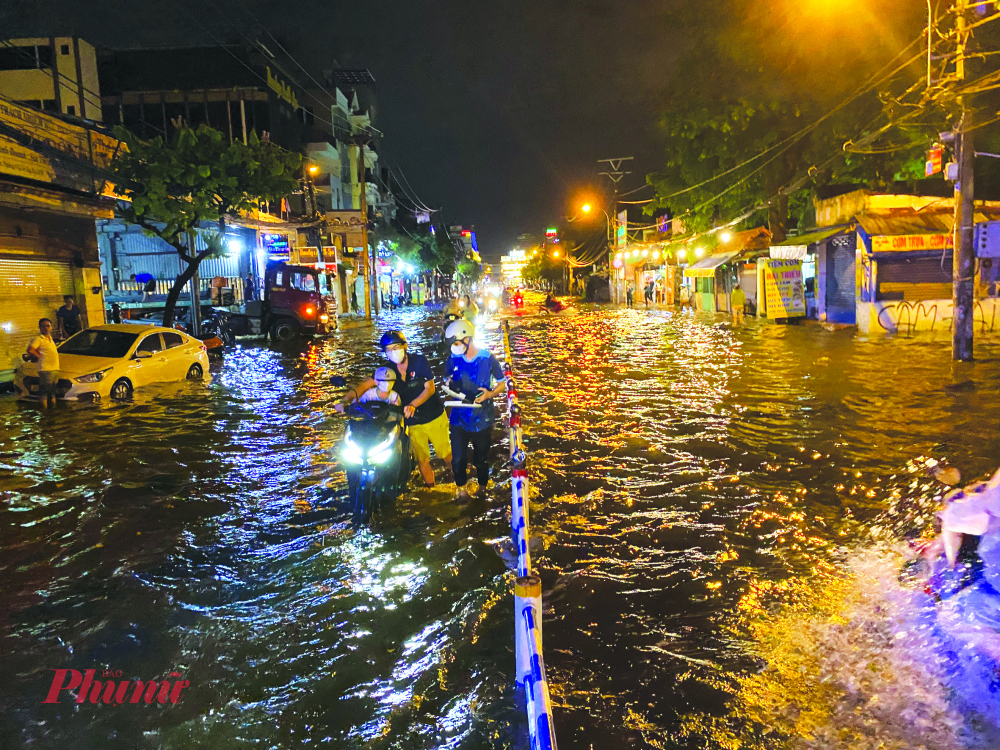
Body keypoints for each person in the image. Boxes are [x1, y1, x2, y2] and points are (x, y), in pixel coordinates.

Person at [337, 331, 452, 487]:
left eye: (396, 347)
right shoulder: (387, 371)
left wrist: (413, 404)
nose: (393, 352)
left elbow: (430, 388)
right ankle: (431, 489)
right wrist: (345, 400)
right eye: (388, 349)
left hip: (433, 415)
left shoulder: (419, 361)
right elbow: (365, 385)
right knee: (422, 459)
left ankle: (460, 483)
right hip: (410, 420)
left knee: (445, 454)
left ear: (405, 346)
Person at [444, 319, 505, 494]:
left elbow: (502, 383)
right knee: (458, 459)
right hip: (458, 418)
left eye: (456, 343)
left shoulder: (487, 358)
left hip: (482, 419)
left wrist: (489, 394)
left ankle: (482, 489)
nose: (455, 347)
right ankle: (461, 491)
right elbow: (447, 381)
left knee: (481, 459)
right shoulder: (452, 359)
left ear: (467, 338)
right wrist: (450, 385)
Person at [27, 318, 60, 408]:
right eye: (43, 326)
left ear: (51, 327)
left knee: (52, 392)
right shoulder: (38, 339)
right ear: (39, 328)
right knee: (45, 392)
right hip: (45, 369)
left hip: (54, 368)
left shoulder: (50, 338)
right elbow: (30, 349)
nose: (46, 328)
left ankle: (52, 409)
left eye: (48, 326)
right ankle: (45, 411)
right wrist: (38, 355)